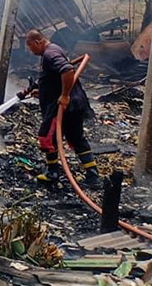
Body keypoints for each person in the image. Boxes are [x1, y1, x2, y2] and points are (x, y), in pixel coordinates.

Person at [18, 29, 100, 187]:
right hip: (75, 104)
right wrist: (41, 91)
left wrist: (64, 95)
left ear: (37, 42)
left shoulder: (50, 54)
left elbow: (67, 70)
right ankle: (92, 175)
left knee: (46, 136)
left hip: (62, 106)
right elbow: (54, 78)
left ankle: (52, 173)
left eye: (30, 47)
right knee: (76, 137)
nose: (31, 51)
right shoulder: (53, 50)